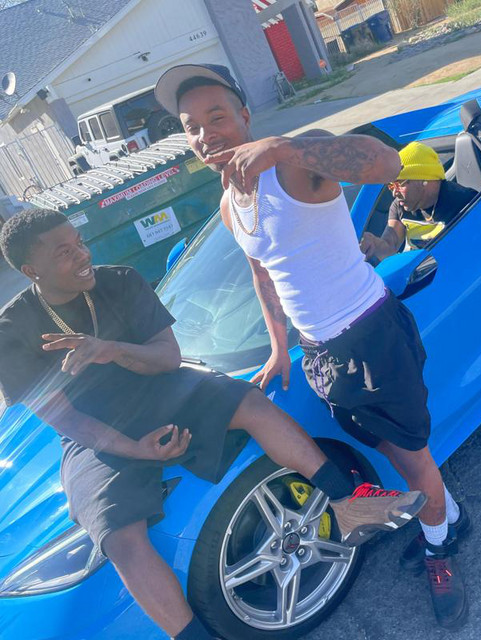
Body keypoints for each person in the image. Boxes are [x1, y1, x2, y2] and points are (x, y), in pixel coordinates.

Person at [0, 209, 425, 640]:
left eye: (79, 242)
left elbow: (168, 357)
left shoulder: (120, 280)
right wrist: (135, 449)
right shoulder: (10, 331)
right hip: (97, 432)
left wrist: (111, 349)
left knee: (252, 404)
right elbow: (64, 418)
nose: (82, 255)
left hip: (163, 390)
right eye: (64, 253)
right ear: (32, 271)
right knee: (119, 537)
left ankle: (347, 502)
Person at [155, 63, 472, 630]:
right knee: (384, 446)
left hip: (372, 335)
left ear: (244, 116)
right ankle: (445, 517)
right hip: (321, 354)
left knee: (412, 455)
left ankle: (439, 549)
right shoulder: (229, 202)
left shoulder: (294, 165)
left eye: (217, 117)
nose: (206, 134)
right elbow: (263, 275)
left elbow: (386, 163)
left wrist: (285, 147)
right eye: (192, 126)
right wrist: (279, 349)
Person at [360, 141, 477, 263]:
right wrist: (374, 243)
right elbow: (390, 245)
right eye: (391, 186)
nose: (394, 193)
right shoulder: (399, 206)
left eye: (399, 184)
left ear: (423, 179)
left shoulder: (465, 201)